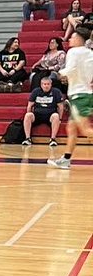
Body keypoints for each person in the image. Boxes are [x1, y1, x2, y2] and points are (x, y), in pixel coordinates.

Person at [50, 26, 93, 169]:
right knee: (71, 128)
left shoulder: (73, 52)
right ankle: (66, 159)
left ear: (80, 39)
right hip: (86, 93)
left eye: (73, 37)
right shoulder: (90, 53)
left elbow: (71, 69)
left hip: (79, 95)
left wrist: (60, 74)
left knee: (86, 130)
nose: (69, 39)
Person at [23, 76, 64, 148]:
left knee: (56, 116)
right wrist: (29, 113)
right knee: (27, 115)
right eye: (44, 84)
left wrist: (60, 119)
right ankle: (28, 139)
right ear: (41, 85)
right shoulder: (36, 91)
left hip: (50, 115)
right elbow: (29, 105)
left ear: (51, 85)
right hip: (37, 114)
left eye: (48, 84)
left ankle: (53, 139)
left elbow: (60, 106)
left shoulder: (56, 92)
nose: (46, 86)